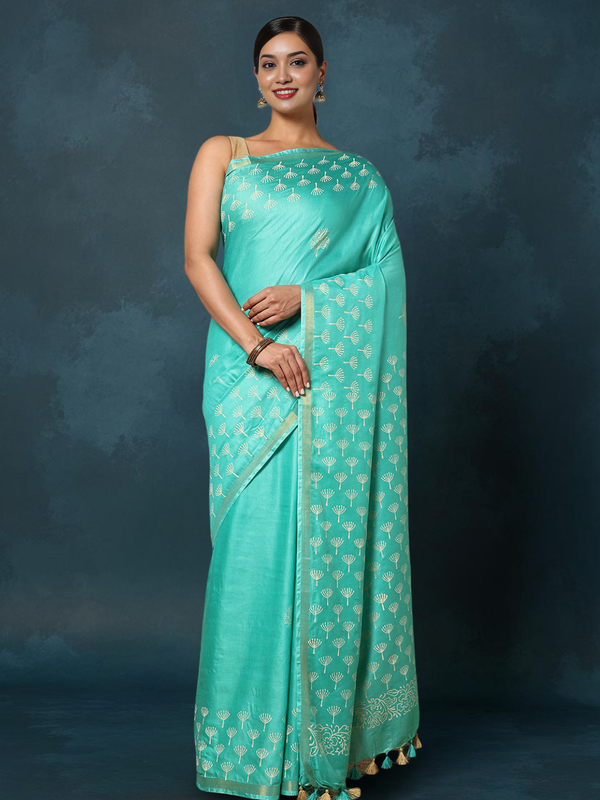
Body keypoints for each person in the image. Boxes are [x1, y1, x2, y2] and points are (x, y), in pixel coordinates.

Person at [184, 15, 422, 800]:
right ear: (256, 79)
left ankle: (321, 746)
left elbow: (386, 282)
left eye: (296, 62)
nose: (281, 76)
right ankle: (252, 752)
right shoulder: (226, 153)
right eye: (267, 64)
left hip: (323, 384)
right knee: (251, 560)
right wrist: (257, 345)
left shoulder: (360, 180)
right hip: (249, 380)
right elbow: (197, 258)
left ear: (323, 75)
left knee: (321, 551)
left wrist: (308, 302)